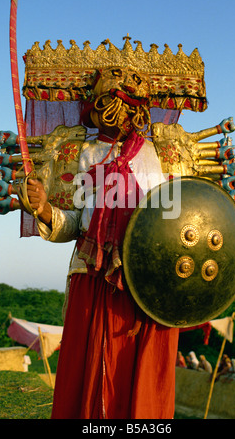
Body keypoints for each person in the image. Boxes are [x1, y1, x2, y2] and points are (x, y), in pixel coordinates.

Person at [23, 66, 180, 419]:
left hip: (142, 278)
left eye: (127, 105)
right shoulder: (86, 154)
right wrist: (45, 208)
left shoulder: (156, 156)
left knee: (139, 376)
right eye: (110, 103)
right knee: (90, 371)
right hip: (92, 276)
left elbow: (172, 219)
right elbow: (76, 223)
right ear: (96, 107)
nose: (120, 114)